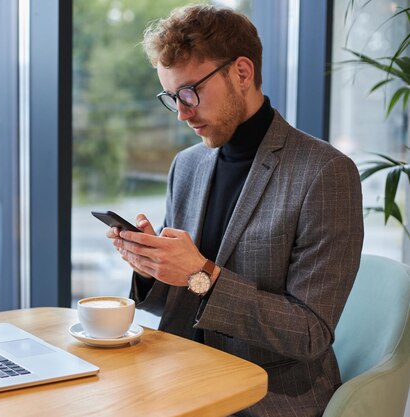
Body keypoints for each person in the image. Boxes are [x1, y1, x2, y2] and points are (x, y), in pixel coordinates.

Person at [106, 4, 364, 417]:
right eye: (172, 98)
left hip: (269, 398)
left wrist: (200, 273)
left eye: (190, 92)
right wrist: (151, 268)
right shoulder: (186, 166)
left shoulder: (326, 173)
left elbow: (309, 333)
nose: (182, 112)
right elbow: (183, 301)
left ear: (242, 73)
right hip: (182, 381)